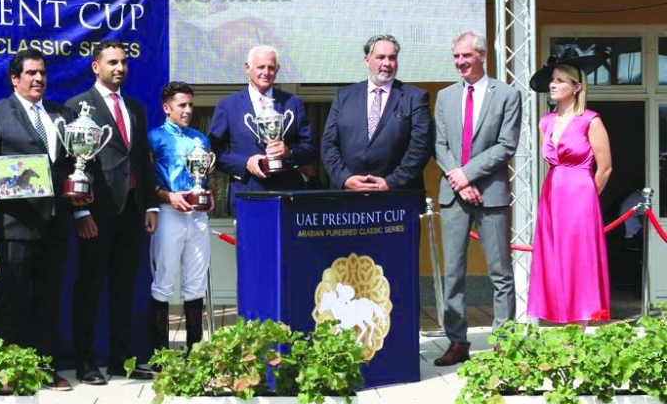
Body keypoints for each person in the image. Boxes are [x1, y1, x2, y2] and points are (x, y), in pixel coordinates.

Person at [0, 49, 78, 391]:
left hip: (55, 223)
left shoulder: (63, 115)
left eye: (42, 72)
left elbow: (74, 163)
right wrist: (16, 182)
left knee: (49, 300)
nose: (38, 78)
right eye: (31, 73)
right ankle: (11, 372)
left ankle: (46, 367)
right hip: (16, 224)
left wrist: (78, 186)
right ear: (14, 79)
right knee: (13, 300)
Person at [66, 40, 158, 385]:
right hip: (97, 213)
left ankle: (121, 360)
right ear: (96, 67)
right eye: (112, 63)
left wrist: (149, 205)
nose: (120, 68)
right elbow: (73, 165)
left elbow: (142, 160)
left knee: (124, 289)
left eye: (123, 63)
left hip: (132, 211)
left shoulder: (135, 107)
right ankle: (85, 362)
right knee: (89, 289)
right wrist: (80, 213)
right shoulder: (78, 107)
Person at [433, 32, 521, 366]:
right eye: (456, 56)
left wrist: (467, 174)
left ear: (482, 55)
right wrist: (459, 179)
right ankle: (457, 342)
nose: (460, 62)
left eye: (466, 55)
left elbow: (506, 145)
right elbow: (440, 145)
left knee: (501, 273)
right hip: (454, 195)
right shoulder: (445, 97)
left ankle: (503, 343)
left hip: (491, 194)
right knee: (453, 273)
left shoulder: (507, 94)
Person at [526, 49, 611, 325]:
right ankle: (559, 318)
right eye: (552, 79)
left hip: (580, 195)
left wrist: (588, 198)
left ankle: (581, 324)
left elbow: (605, 168)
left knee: (578, 258)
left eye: (560, 80)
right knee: (553, 258)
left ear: (576, 87)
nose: (553, 84)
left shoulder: (590, 120)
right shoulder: (546, 122)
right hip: (552, 194)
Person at [208, 45, 315, 215]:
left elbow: (309, 149)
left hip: (288, 194)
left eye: (271, 68)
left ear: (277, 69)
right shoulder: (228, 105)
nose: (266, 72)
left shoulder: (293, 103)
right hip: (247, 193)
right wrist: (245, 163)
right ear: (247, 67)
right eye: (261, 67)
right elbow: (215, 151)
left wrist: (289, 152)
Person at [148, 82, 214, 355]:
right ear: (167, 108)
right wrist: (166, 196)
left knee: (196, 284)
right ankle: (161, 354)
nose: (188, 110)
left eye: (190, 105)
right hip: (168, 215)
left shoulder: (201, 140)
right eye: (182, 105)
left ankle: (194, 351)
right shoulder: (153, 137)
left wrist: (209, 194)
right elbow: (144, 180)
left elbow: (205, 178)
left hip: (197, 217)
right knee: (163, 282)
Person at [322, 34, 432, 192]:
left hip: (397, 194)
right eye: (381, 57)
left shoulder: (415, 97)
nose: (387, 63)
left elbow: (420, 147)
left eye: (392, 58)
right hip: (350, 194)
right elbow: (329, 144)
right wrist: (345, 178)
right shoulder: (343, 96)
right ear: (367, 61)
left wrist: (391, 182)